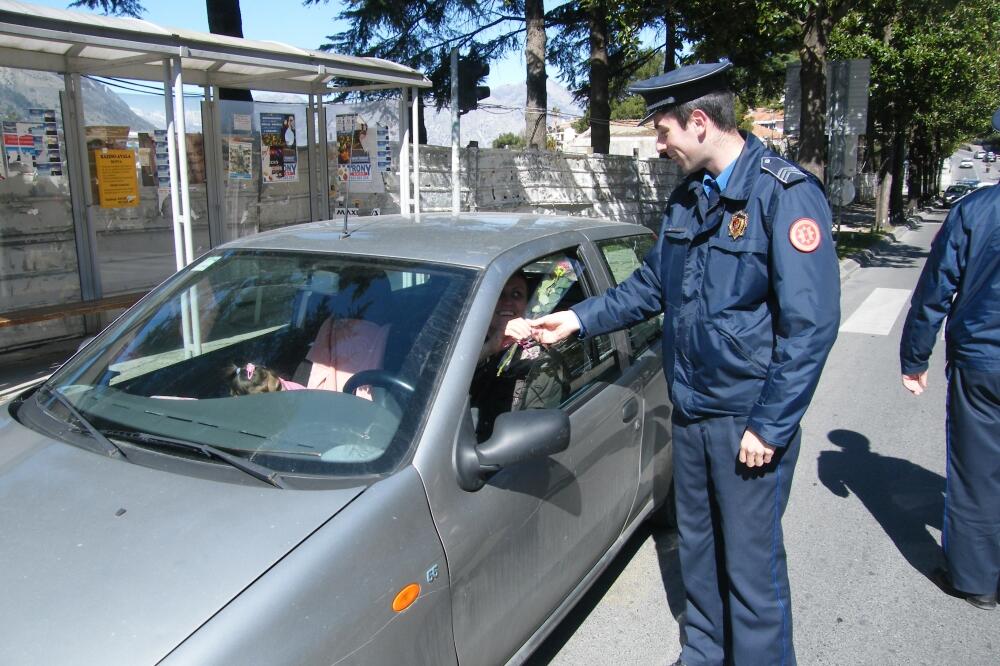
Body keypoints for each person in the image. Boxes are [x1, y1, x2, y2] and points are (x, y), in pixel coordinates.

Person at [520, 62, 841, 665]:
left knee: (750, 565)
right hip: (691, 409)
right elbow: (650, 287)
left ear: (699, 123)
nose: (659, 144)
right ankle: (704, 653)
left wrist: (770, 426)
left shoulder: (785, 194)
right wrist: (577, 318)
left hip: (748, 420)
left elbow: (811, 326)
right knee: (697, 547)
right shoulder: (691, 198)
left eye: (663, 131)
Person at [898, 107, 1000, 612]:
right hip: (982, 356)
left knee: (977, 470)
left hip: (983, 362)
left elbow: (936, 290)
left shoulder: (977, 210)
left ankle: (976, 579)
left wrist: (915, 356)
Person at [470, 272, 567, 441]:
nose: (507, 301)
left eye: (516, 294)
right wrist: (489, 348)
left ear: (526, 306)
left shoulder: (540, 363)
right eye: (499, 294)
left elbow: (530, 437)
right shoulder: (466, 343)